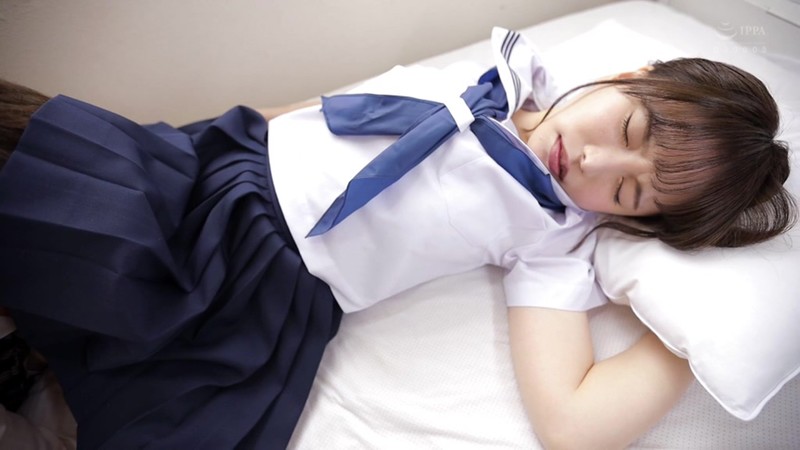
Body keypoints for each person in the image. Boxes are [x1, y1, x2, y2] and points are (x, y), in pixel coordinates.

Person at [0, 28, 794, 449]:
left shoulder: (552, 235)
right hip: (222, 166)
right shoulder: (504, 75)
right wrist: (195, 139)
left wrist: (691, 340)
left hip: (253, 273)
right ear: (631, 76)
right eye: (626, 130)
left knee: (96, 263)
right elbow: (322, 114)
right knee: (50, 169)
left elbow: (572, 425)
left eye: (626, 194)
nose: (592, 163)